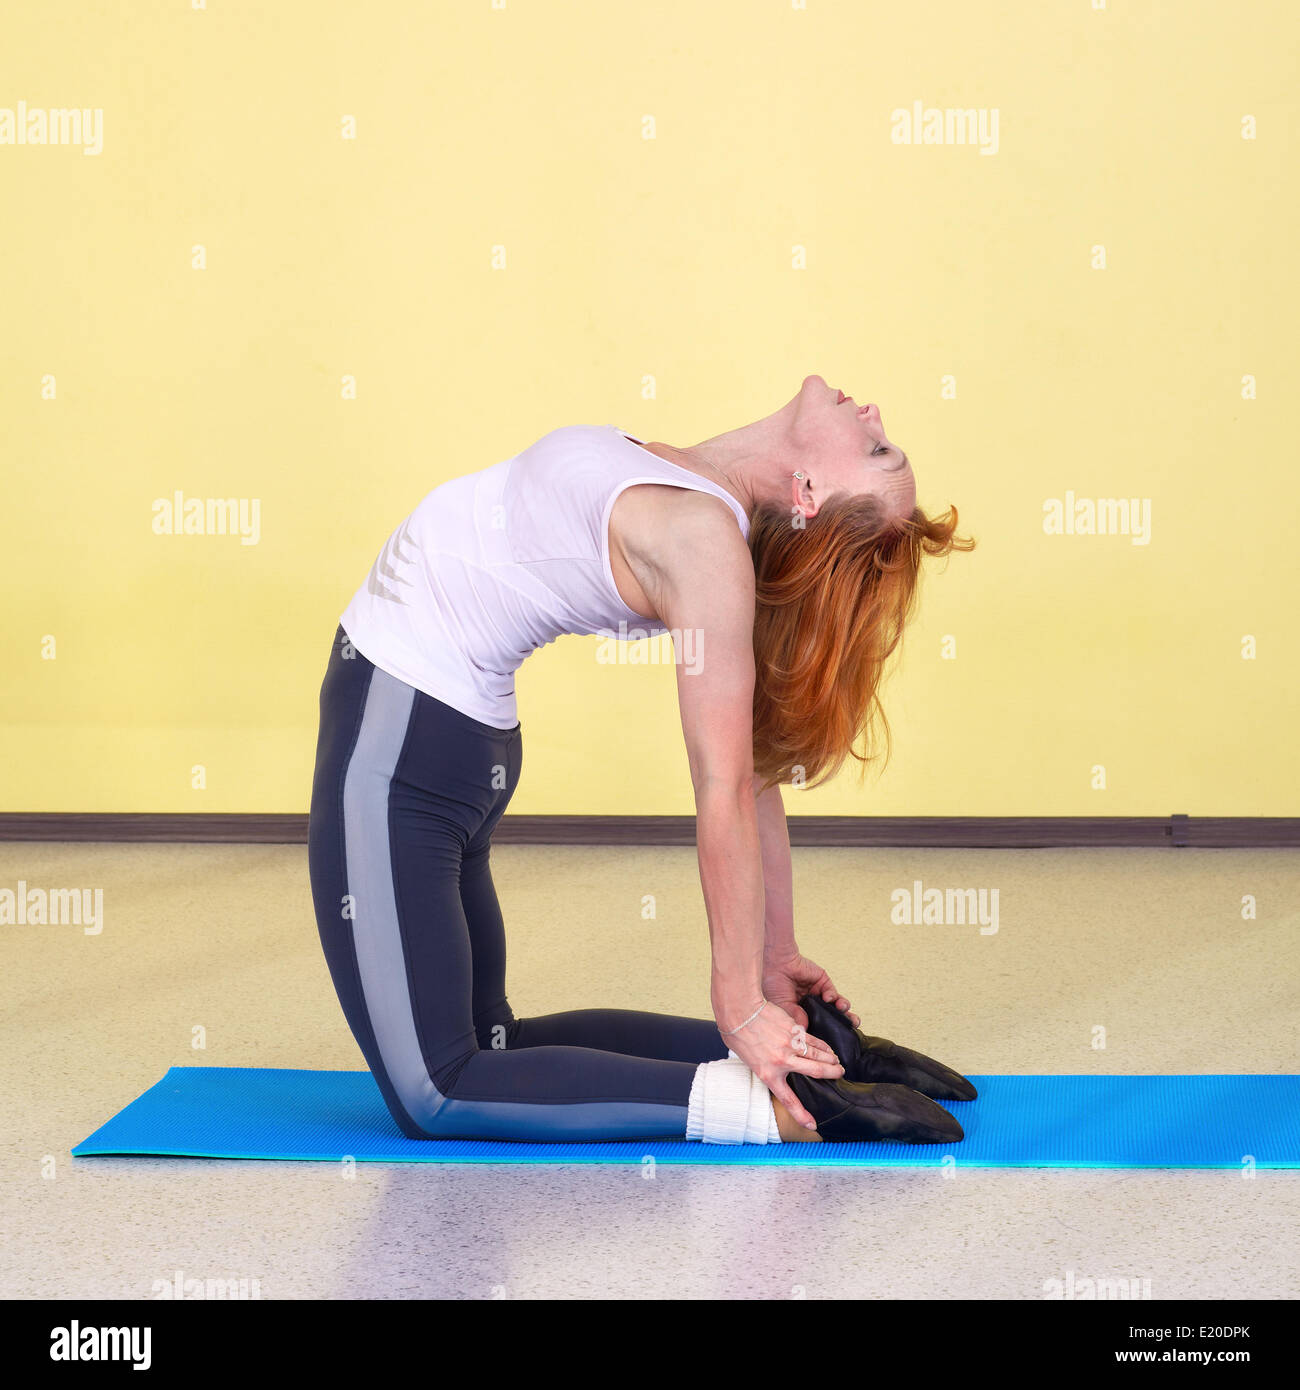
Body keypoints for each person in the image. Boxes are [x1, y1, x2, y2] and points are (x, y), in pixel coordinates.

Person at [307, 374, 976, 1145]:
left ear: (809, 489)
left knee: (438, 1088)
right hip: (444, 739)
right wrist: (776, 957)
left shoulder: (701, 540)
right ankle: (826, 1064)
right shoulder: (702, 500)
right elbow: (754, 768)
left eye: (876, 447)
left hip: (404, 741)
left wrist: (744, 1000)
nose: (873, 413)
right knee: (491, 1049)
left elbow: (727, 783)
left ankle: (778, 1112)